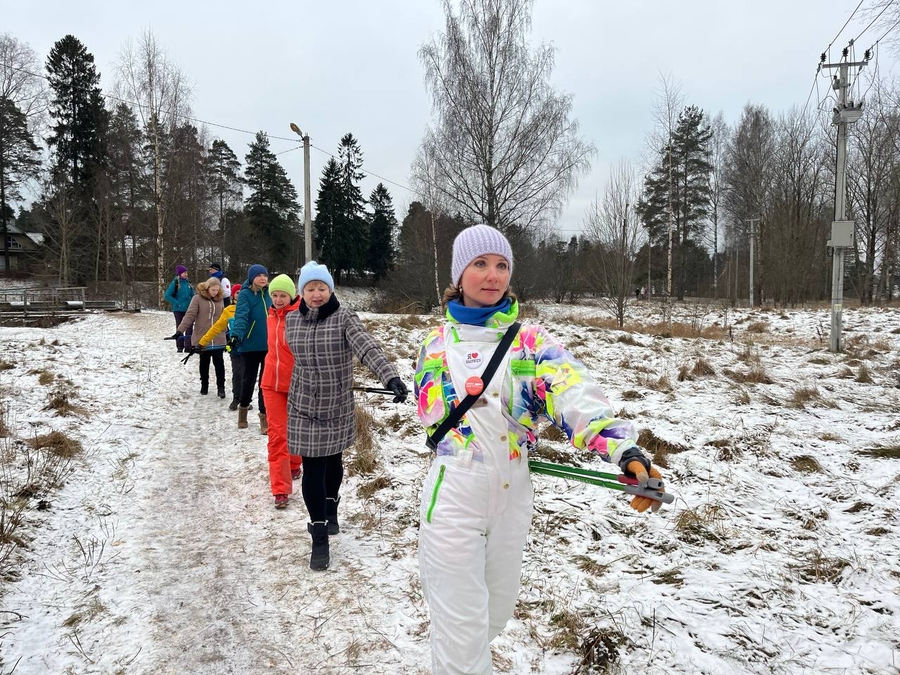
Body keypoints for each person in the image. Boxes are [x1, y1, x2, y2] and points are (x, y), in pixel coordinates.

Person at [413, 224, 666, 674]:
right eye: (480, 264)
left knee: (494, 615)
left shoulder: (530, 342)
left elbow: (573, 393)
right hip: (454, 494)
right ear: (459, 273)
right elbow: (434, 415)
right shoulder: (435, 345)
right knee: (461, 629)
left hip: (513, 494)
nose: (492, 275)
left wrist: (623, 451)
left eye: (501, 265)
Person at [285, 261, 408, 571]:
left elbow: (368, 348)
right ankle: (319, 533)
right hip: (302, 405)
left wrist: (390, 377)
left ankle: (331, 506)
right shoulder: (291, 320)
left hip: (336, 404)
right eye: (310, 288)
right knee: (313, 466)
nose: (316, 294)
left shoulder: (343, 319)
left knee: (333, 461)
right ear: (302, 292)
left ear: (330, 290)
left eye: (321, 288)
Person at [261, 274, 303, 509]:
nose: (278, 299)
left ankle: (295, 464)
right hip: (271, 384)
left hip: (297, 383)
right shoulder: (269, 316)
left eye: (282, 295)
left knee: (296, 429)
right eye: (274, 295)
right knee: (277, 435)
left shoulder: (301, 317)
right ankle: (280, 490)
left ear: (291, 295)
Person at [228, 264, 271, 431]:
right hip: (250, 345)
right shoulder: (246, 294)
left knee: (265, 383)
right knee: (248, 380)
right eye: (259, 275)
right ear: (252, 278)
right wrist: (236, 335)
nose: (263, 278)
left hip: (269, 346)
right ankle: (243, 410)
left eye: (265, 275)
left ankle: (264, 417)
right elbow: (241, 317)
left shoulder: (270, 293)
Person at [199, 283, 247, 410]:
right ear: (233, 296)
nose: (240, 294)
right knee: (237, 373)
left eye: (242, 292)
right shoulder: (228, 310)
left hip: (250, 347)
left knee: (247, 375)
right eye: (237, 292)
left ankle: (245, 399)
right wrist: (202, 342)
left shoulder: (250, 308)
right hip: (235, 347)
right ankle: (237, 398)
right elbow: (216, 328)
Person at [176, 277, 226, 397]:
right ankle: (204, 385)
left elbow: (224, 316)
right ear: (207, 288)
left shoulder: (220, 300)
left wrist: (227, 331)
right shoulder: (197, 299)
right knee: (204, 362)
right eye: (213, 290)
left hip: (218, 337)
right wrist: (179, 331)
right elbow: (190, 315)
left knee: (219, 363)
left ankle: (221, 387)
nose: (215, 292)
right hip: (202, 337)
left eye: (217, 290)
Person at [164, 265, 194, 352]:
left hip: (189, 309)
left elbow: (192, 295)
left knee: (189, 327)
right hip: (178, 309)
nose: (186, 274)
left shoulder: (188, 283)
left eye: (186, 272)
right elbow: (167, 295)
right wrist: (177, 303)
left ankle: (189, 346)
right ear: (180, 274)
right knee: (180, 327)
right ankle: (180, 346)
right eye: (184, 272)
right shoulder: (175, 283)